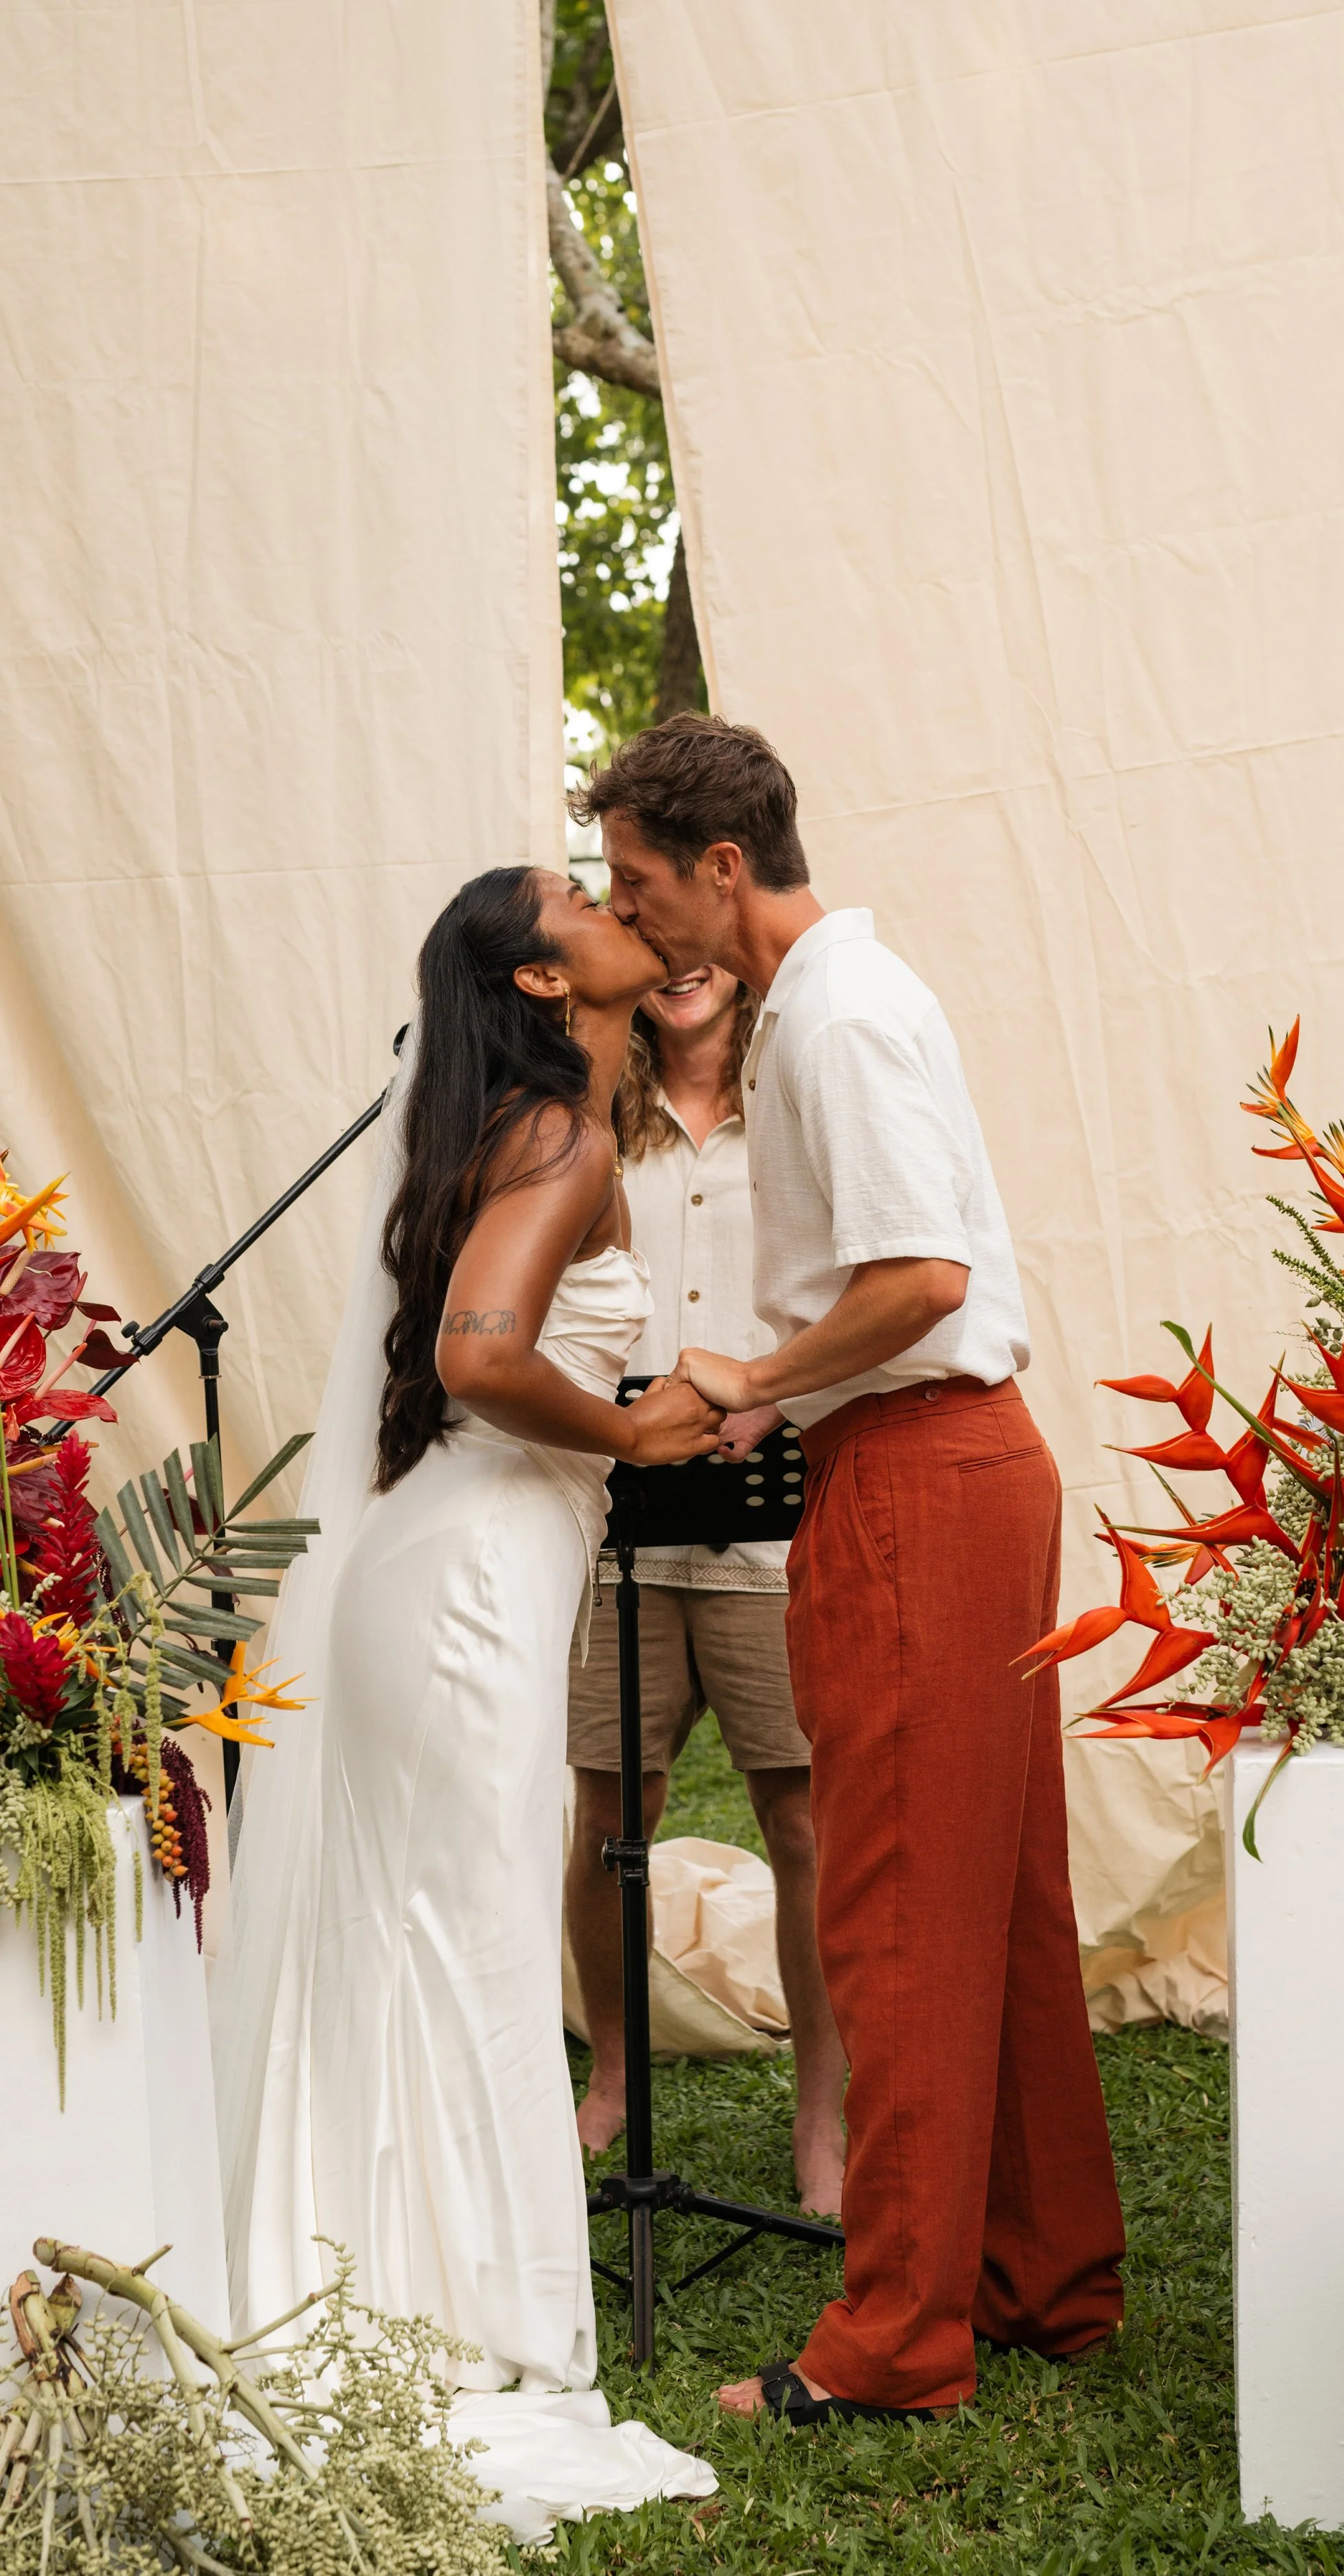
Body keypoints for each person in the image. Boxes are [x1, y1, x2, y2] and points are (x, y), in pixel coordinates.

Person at [573, 714, 1126, 2428]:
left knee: (891, 1908)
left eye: (640, 882)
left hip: (919, 1477)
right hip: (940, 1465)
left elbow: (917, 1278)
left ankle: (893, 2344)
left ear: (721, 870)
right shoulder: (831, 1005)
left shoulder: (838, 1020)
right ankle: (1046, 2280)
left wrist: (742, 1376)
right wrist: (781, 1397)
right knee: (1000, 1901)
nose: (628, 914)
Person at [211, 865, 720, 2533]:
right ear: (535, 976)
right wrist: (637, 1432)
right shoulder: (559, 1140)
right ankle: (477, 2315)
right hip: (470, 1590)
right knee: (477, 1934)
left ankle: (390, 2277)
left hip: (450, 1567)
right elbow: (480, 1356)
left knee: (423, 1932)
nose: (602, 893)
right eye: (573, 894)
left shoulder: (526, 1130)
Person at [563, 959, 847, 2215]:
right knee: (608, 1825)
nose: (680, 967)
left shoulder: (798, 1097)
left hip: (771, 1534)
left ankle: (825, 2122)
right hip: (615, 1527)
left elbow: (856, 1294)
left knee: (803, 1828)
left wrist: (768, 1394)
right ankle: (615, 2081)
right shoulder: (583, 1118)